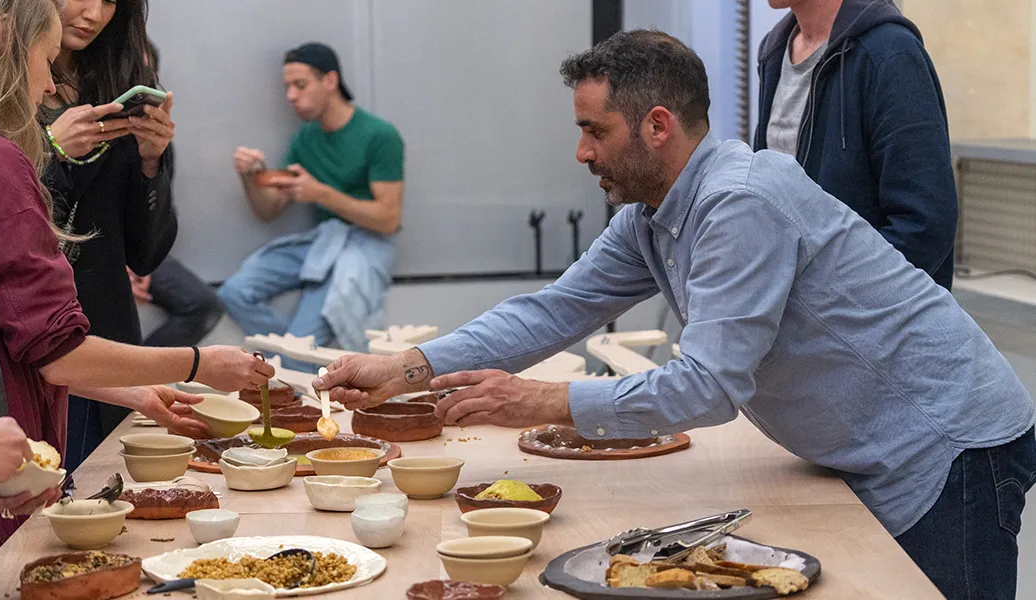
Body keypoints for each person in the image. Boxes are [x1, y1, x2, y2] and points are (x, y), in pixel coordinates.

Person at [314, 30, 1036, 600]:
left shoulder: (739, 202)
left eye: (595, 131)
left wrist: (535, 400)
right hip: (871, 446)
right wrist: (404, 369)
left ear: (656, 125)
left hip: (947, 446)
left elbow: (707, 390)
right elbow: (553, 311)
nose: (580, 151)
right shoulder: (651, 218)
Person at [0, 0, 272, 565]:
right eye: (44, 60)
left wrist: (153, 161)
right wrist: (198, 364)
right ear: (7, 36)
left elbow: (144, 252)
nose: (46, 85)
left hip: (79, 353)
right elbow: (53, 353)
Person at [40, 0, 181, 469]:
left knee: (107, 504)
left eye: (110, 1)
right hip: (29, 334)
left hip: (106, 329)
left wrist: (151, 161)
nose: (95, 13)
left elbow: (147, 254)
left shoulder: (123, 81)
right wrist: (49, 151)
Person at [219, 42, 404, 369]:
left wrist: (320, 194)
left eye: (300, 85)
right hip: (322, 242)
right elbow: (269, 210)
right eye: (288, 86)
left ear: (330, 81)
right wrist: (250, 177)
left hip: (363, 244)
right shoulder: (305, 138)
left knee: (297, 351)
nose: (291, 95)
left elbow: (387, 220)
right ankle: (293, 357)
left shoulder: (380, 135)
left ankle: (294, 359)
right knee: (234, 292)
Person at [753, 0, 958, 290]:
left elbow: (925, 225)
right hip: (797, 316)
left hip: (867, 321)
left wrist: (834, 299)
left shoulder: (890, 52)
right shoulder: (773, 52)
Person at [128, 42, 224, 349]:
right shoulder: (91, 127)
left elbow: (162, 212)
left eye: (145, 75)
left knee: (204, 305)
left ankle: (139, 375)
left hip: (142, 250)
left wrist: (140, 262)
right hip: (92, 252)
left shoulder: (161, 139)